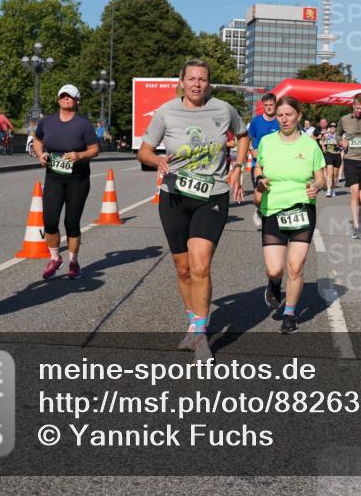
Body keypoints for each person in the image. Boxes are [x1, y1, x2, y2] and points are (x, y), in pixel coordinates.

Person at [138, 59, 249, 361]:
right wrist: (156, 160)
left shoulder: (223, 109)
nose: (197, 84)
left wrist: (238, 167)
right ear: (182, 82)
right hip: (174, 195)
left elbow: (243, 135)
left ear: (208, 83)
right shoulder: (166, 111)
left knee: (200, 265)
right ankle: (193, 322)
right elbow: (144, 150)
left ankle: (201, 335)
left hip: (212, 194)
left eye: (202, 79)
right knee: (183, 268)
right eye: (191, 79)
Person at [254, 97, 326, 334]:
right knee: (275, 269)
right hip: (273, 208)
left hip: (302, 209)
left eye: (289, 115)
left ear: (298, 116)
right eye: (280, 115)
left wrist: (316, 186)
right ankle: (274, 283)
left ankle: (290, 314)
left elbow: (321, 178)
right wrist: (259, 179)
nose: (284, 119)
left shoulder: (310, 145)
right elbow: (258, 167)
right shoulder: (266, 142)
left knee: (295, 267)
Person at [32, 85, 100, 280]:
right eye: (63, 96)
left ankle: (73, 262)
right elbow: (37, 140)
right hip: (54, 177)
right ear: (58, 99)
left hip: (77, 179)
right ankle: (55, 258)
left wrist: (79, 155)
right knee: (49, 221)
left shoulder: (83, 124)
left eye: (70, 96)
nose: (66, 98)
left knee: (71, 222)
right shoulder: (47, 121)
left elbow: (94, 149)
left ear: (77, 100)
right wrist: (40, 154)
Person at [337, 94, 361, 239]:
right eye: (357, 108)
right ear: (353, 105)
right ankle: (356, 226)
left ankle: (360, 214)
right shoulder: (344, 119)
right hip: (350, 160)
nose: (360, 111)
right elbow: (337, 135)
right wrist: (341, 142)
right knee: (354, 192)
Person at [248, 93, 280, 229]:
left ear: (276, 105)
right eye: (266, 105)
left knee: (275, 193)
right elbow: (248, 139)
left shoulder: (281, 120)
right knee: (259, 196)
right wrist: (252, 150)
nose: (268, 107)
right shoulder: (256, 121)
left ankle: (273, 221)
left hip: (277, 164)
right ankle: (258, 209)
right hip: (258, 164)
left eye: (271, 105)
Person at [320, 119, 341, 198]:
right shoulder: (326, 134)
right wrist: (323, 148)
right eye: (331, 126)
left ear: (336, 127)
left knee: (335, 175)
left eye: (334, 126)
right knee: (330, 173)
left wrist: (341, 148)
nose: (332, 127)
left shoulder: (339, 135)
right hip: (329, 154)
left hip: (337, 155)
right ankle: (328, 190)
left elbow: (344, 143)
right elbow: (322, 141)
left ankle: (333, 189)